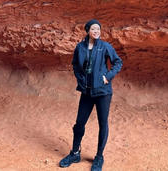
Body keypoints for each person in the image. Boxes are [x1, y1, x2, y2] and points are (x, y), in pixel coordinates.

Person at [59, 19, 122, 171]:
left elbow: (118, 62)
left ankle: (99, 157)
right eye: (93, 28)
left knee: (102, 124)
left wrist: (107, 77)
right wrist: (80, 79)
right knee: (79, 123)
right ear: (87, 30)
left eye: (98, 29)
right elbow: (75, 65)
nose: (96, 31)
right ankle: (75, 153)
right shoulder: (80, 47)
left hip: (102, 92)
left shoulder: (105, 46)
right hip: (86, 92)